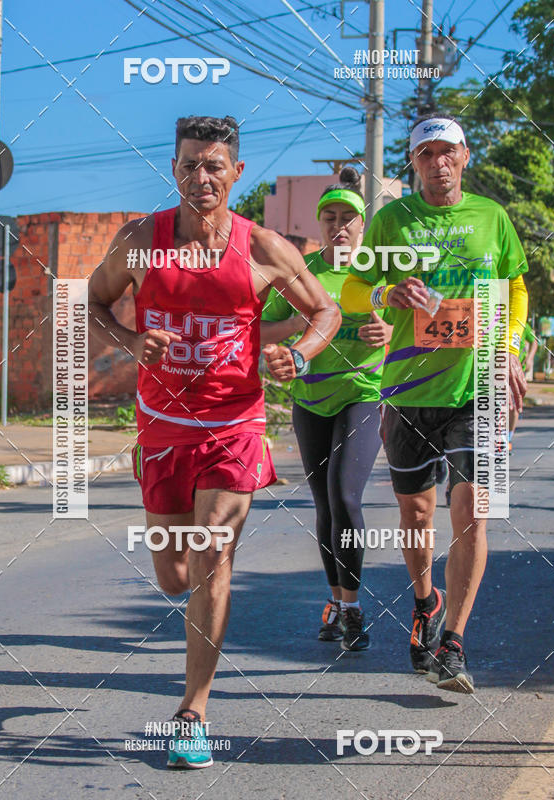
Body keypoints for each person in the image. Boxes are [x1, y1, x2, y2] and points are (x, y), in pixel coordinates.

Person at [88, 115, 340, 768]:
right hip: (162, 429)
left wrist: (302, 353)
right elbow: (88, 303)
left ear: (236, 173)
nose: (201, 176)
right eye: (189, 164)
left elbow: (325, 310)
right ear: (173, 168)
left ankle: (192, 712)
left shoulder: (262, 249)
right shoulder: (141, 241)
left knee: (211, 559)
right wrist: (129, 342)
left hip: (235, 427)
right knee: (174, 576)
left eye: (214, 165)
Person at [341, 114, 529, 693]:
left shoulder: (492, 217)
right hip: (406, 393)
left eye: (447, 151)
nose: (438, 161)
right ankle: (425, 601)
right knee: (417, 515)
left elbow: (515, 286)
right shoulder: (393, 220)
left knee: (473, 510)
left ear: (465, 156)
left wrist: (511, 346)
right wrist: (384, 291)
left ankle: (453, 641)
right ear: (414, 163)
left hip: (478, 389)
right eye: (426, 153)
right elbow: (352, 290)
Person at [261, 167, 392, 651]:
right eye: (330, 217)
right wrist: (295, 324)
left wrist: (394, 332)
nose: (339, 226)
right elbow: (258, 330)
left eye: (348, 219)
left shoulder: (381, 267)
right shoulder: (303, 273)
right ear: (319, 223)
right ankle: (336, 601)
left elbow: (427, 320)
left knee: (346, 497)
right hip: (309, 397)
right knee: (323, 506)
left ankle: (354, 606)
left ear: (362, 225)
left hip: (363, 392)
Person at [509, 322, 538, 450]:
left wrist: (530, 358)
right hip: (497, 369)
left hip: (517, 369)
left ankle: (507, 439)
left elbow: (534, 341)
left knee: (514, 406)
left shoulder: (522, 324)